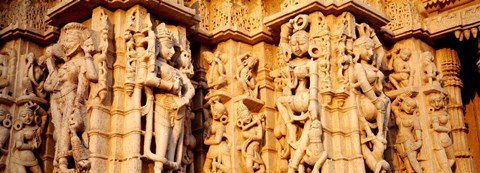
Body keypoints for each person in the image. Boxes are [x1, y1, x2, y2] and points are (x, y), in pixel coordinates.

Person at [43, 22, 98, 172]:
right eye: (65, 41)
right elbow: (48, 86)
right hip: (56, 100)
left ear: (80, 41)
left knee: (66, 130)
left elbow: (93, 76)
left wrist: (88, 54)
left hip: (71, 98)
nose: (66, 44)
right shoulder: (63, 66)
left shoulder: (81, 62)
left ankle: (64, 164)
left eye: (70, 40)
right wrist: (50, 62)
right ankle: (58, 162)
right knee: (58, 131)